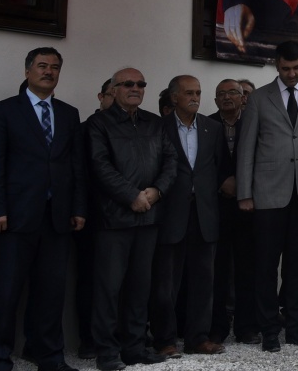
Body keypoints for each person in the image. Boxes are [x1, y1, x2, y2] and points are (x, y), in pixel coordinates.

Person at [0, 47, 85, 371]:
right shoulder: (3, 111)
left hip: (57, 217)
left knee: (51, 292)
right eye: (42, 66)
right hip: (14, 216)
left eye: (54, 67)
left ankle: (47, 355)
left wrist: (78, 208)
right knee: (6, 292)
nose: (48, 72)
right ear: (27, 71)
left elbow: (76, 166)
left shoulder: (68, 113)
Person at [236, 41, 298, 352]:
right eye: (286, 68)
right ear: (276, 65)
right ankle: (269, 330)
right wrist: (244, 194)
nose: (292, 74)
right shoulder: (259, 98)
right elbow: (246, 147)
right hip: (267, 195)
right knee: (265, 265)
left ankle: (296, 328)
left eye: (297, 68)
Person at [87, 68, 176, 370]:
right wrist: (131, 196)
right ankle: (107, 351)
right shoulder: (98, 123)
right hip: (114, 220)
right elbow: (99, 166)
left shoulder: (155, 122)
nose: (136, 88)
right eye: (128, 84)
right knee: (109, 289)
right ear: (113, 90)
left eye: (140, 84)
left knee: (141, 287)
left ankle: (135, 347)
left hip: (149, 218)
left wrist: (156, 192)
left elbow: (170, 161)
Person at [150, 76, 224, 357]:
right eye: (189, 93)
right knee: (166, 284)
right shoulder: (159, 128)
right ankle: (165, 340)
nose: (195, 97)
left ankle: (198, 338)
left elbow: (218, 168)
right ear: (174, 98)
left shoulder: (211, 128)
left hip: (204, 213)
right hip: (171, 212)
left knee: (204, 281)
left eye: (198, 93)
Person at [208, 78, 257, 344]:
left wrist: (243, 183)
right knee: (217, 270)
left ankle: (246, 326)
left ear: (243, 98)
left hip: (248, 207)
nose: (227, 97)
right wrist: (221, 182)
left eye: (233, 93)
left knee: (247, 269)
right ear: (215, 100)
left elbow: (263, 159)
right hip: (216, 208)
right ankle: (217, 327)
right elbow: (200, 165)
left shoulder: (254, 123)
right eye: (221, 94)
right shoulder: (206, 124)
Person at [75, 79, 114, 359]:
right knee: (90, 279)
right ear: (101, 96)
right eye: (114, 92)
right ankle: (89, 339)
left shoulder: (142, 127)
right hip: (92, 216)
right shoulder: (85, 129)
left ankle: (121, 337)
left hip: (129, 216)